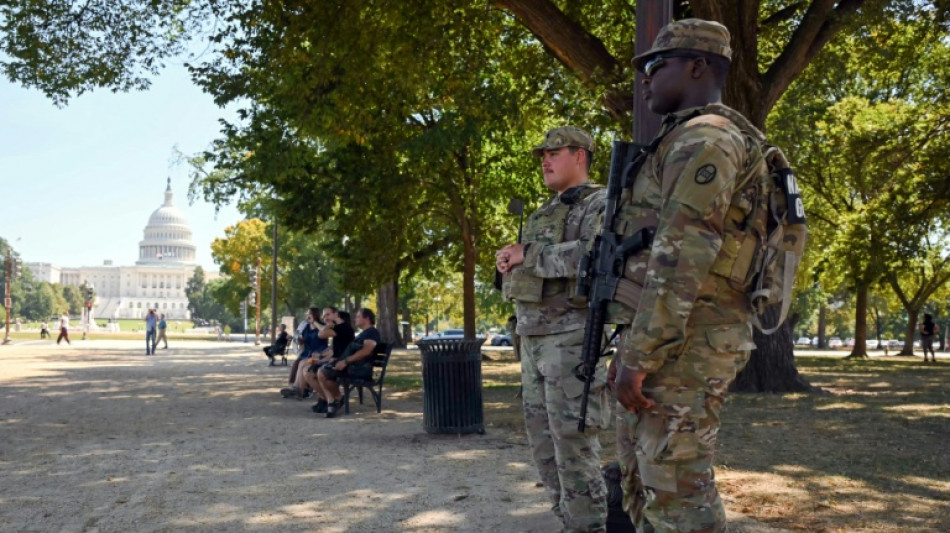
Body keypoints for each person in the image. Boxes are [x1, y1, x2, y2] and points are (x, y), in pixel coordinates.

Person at [611, 19, 763, 533]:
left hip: (693, 335)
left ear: (697, 67)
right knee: (645, 477)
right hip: (670, 333)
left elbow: (682, 256)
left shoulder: (707, 139)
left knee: (676, 486)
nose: (646, 79)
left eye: (657, 65)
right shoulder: (681, 139)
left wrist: (640, 354)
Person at [495, 126, 609, 532]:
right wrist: (510, 261)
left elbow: (595, 257)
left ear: (580, 155)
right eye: (542, 153)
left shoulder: (601, 203)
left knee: (573, 445)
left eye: (554, 152)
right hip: (532, 338)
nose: (544, 159)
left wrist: (529, 254)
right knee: (543, 446)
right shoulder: (544, 212)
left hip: (571, 339)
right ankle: (568, 522)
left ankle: (590, 527)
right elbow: (536, 264)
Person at [315, 308, 380, 418]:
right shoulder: (364, 333)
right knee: (322, 370)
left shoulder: (372, 332)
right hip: (354, 366)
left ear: (367, 318)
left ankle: (336, 400)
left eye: (358, 316)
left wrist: (345, 361)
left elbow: (366, 350)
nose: (355, 319)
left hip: (359, 369)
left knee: (322, 372)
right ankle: (336, 400)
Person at [306, 307, 356, 413]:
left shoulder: (344, 327)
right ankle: (327, 399)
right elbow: (335, 351)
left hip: (344, 365)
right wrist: (322, 359)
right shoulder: (337, 327)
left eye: (327, 315)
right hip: (337, 361)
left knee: (321, 372)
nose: (325, 318)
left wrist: (317, 322)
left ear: (336, 314)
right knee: (308, 373)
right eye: (324, 316)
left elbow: (321, 334)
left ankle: (333, 400)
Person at [281, 307, 329, 396]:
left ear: (315, 315)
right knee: (296, 364)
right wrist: (297, 338)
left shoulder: (322, 326)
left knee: (302, 364)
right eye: (307, 314)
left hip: (318, 353)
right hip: (306, 352)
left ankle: (301, 389)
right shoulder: (306, 326)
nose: (307, 316)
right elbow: (302, 341)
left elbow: (324, 335)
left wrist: (314, 322)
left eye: (309, 314)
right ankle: (294, 387)